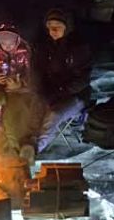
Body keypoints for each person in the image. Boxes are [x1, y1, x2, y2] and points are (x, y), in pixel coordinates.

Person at [0, 22, 44, 165]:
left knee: (29, 107)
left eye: (10, 42)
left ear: (17, 40)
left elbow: (35, 77)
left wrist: (20, 84)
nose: (7, 45)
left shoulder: (26, 53)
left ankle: (26, 144)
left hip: (24, 91)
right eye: (3, 42)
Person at [33, 8, 93, 153]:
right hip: (51, 94)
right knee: (30, 107)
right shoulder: (44, 47)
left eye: (58, 26)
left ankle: (33, 151)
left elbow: (82, 80)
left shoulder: (78, 48)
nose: (53, 29)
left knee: (54, 114)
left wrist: (60, 92)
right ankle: (21, 144)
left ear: (67, 28)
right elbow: (38, 73)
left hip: (75, 96)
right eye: (50, 26)